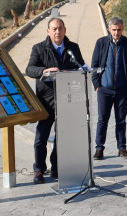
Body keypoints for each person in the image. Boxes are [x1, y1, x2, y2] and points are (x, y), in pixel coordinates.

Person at [26, 17, 85, 184]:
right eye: (54, 29)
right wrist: (44, 71)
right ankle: (38, 169)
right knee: (41, 137)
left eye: (60, 28)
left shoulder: (73, 48)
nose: (57, 32)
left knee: (63, 136)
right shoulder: (38, 48)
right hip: (46, 99)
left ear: (65, 30)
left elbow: (80, 66)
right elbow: (30, 69)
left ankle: (56, 167)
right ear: (48, 31)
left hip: (67, 98)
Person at [91, 16, 127, 160]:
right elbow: (95, 65)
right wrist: (97, 85)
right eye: (114, 30)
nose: (116, 32)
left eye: (119, 30)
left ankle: (122, 148)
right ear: (109, 29)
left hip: (123, 90)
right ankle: (99, 148)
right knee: (102, 120)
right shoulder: (101, 43)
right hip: (104, 89)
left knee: (121, 120)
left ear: (122, 29)